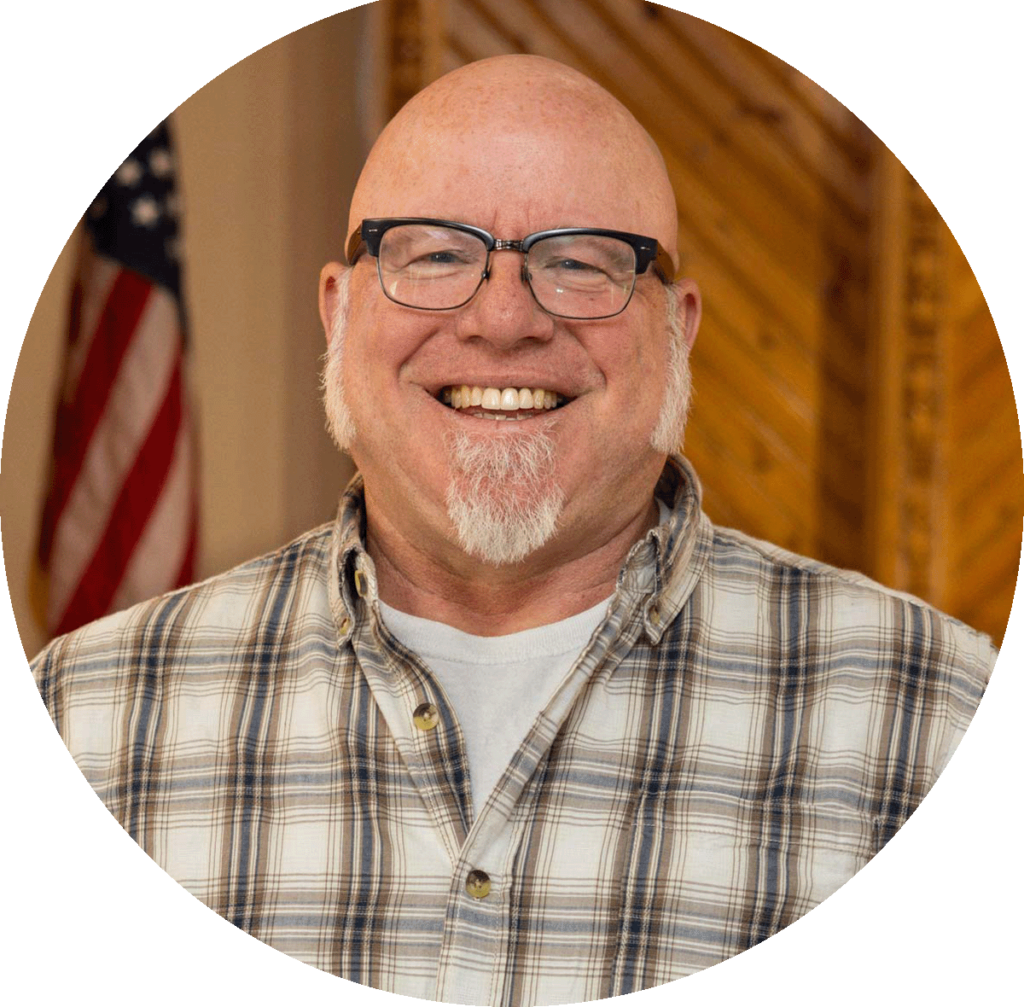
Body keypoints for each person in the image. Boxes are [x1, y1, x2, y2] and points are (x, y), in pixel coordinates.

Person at [28, 55, 996, 1003]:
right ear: (337, 311)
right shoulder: (92, 715)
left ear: (678, 328)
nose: (502, 318)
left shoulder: (930, 714)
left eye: (578, 262)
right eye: (434, 253)